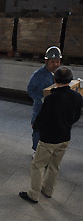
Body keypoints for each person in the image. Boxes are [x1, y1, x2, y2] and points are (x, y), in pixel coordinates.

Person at [20, 66, 82, 203]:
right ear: (70, 80)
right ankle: (48, 190)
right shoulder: (77, 97)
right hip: (65, 137)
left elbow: (42, 117)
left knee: (38, 165)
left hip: (49, 138)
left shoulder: (50, 99)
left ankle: (33, 194)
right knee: (55, 165)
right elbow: (76, 116)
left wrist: (35, 126)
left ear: (54, 79)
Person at [27, 46, 62, 156]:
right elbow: (30, 90)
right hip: (40, 109)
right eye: (52, 62)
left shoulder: (60, 74)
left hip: (54, 109)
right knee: (38, 130)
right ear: (46, 61)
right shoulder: (39, 75)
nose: (55, 64)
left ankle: (47, 150)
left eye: (57, 62)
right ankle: (36, 151)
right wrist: (41, 98)